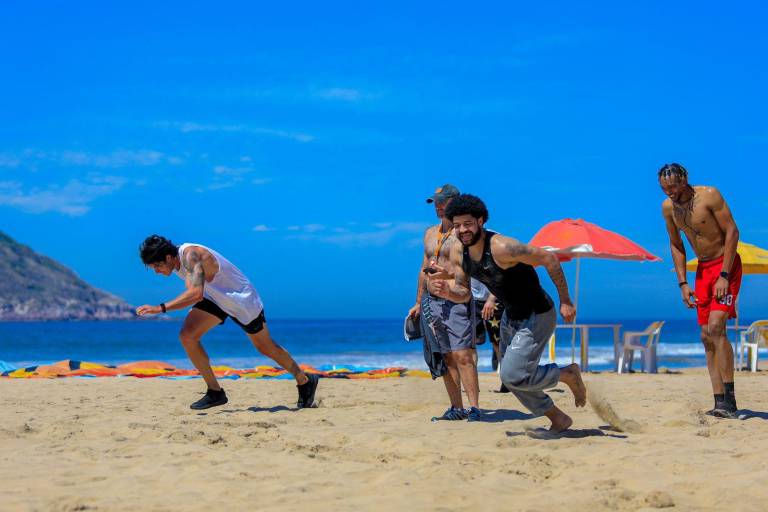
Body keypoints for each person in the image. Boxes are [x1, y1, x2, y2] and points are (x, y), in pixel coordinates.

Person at [428, 194, 586, 432]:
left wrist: (566, 300)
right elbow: (464, 291)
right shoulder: (460, 252)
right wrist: (449, 292)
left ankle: (567, 374)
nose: (463, 230)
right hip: (510, 316)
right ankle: (558, 418)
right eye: (457, 225)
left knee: (513, 375)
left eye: (468, 223)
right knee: (513, 380)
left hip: (537, 313)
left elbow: (549, 258)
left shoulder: (502, 247)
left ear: (481, 221)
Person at [135, 235, 319, 410]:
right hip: (215, 299)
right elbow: (194, 290)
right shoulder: (178, 264)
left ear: (168, 257)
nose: (156, 271)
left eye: (157, 266)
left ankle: (304, 380)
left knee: (265, 347)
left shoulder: (191, 255)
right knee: (187, 336)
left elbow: (195, 294)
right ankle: (215, 391)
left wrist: (159, 308)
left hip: (241, 300)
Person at [659, 163, 741, 418]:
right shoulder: (668, 208)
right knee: (706, 335)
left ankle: (731, 400)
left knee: (717, 327)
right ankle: (719, 401)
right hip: (702, 271)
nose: (669, 192)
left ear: (684, 181)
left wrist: (724, 276)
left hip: (725, 265)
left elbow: (732, 232)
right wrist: (683, 283)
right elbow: (676, 245)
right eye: (664, 188)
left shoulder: (709, 195)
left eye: (673, 186)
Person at [407, 184, 482, 421]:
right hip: (432, 301)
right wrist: (418, 301)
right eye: (436, 202)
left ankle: (475, 408)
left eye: (443, 201)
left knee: (463, 356)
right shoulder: (430, 233)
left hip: (457, 299)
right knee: (445, 355)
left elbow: (470, 271)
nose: (439, 206)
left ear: (455, 202)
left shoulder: (465, 235)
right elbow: (422, 269)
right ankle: (456, 407)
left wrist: (446, 277)